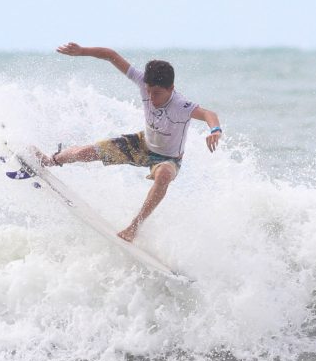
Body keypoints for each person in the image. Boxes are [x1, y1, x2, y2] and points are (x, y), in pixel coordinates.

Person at [33, 42, 222, 242]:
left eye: (157, 93)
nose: (151, 97)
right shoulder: (144, 81)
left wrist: (215, 130)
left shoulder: (181, 105)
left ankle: (135, 226)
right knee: (87, 152)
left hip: (168, 158)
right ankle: (48, 160)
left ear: (171, 88)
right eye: (148, 91)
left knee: (164, 175)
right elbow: (110, 55)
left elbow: (209, 113)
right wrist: (82, 52)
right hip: (141, 144)